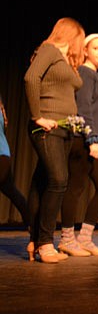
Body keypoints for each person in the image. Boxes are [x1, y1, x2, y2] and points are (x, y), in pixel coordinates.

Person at [24, 17, 85, 263]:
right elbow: (31, 78)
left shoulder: (65, 60)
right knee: (59, 180)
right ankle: (46, 243)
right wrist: (37, 116)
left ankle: (34, 240)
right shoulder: (49, 49)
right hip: (47, 126)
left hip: (64, 128)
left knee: (43, 183)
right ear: (70, 36)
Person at [58, 33, 98, 257]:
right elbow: (83, 108)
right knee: (76, 187)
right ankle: (67, 238)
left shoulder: (95, 76)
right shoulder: (85, 72)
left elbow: (97, 106)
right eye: (97, 48)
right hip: (84, 140)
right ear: (85, 51)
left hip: (92, 139)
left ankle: (84, 238)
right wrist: (92, 139)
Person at [0, 93, 29, 228]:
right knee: (11, 191)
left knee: (12, 192)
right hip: (3, 155)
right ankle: (34, 229)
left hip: (1, 156)